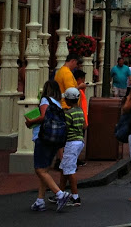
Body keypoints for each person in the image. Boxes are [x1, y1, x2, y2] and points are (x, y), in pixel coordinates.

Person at [25, 80, 72, 212]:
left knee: (39, 170)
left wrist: (30, 122)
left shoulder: (46, 100)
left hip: (44, 137)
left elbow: (43, 117)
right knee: (45, 171)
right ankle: (40, 200)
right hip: (55, 139)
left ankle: (60, 194)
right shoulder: (57, 103)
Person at [53, 87, 85, 207]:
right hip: (79, 141)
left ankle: (75, 197)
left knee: (70, 170)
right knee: (64, 168)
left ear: (67, 100)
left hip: (71, 143)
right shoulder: (80, 111)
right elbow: (84, 126)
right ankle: (60, 193)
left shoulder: (68, 114)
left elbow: (64, 130)